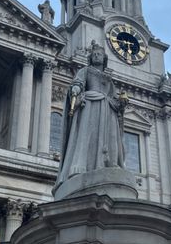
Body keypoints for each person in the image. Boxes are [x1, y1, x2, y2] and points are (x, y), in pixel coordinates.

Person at [54, 41, 127, 191]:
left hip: (107, 108)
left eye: (99, 55)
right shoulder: (85, 70)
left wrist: (122, 103)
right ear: (91, 58)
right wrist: (75, 88)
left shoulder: (109, 79)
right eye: (94, 55)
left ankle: (107, 162)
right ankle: (83, 165)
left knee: (110, 136)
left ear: (104, 58)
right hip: (91, 104)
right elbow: (78, 82)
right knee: (88, 134)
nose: (97, 57)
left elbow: (113, 97)